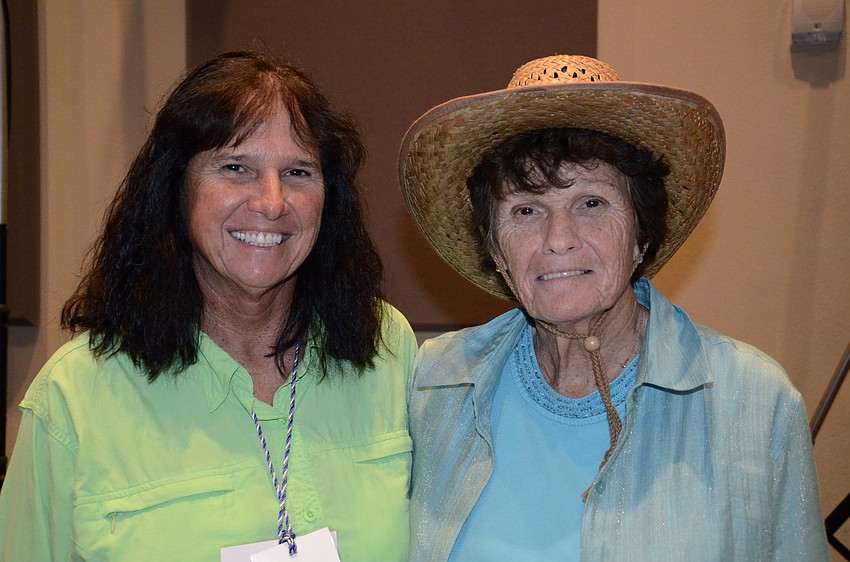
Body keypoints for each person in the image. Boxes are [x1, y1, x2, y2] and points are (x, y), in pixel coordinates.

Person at [399, 54, 829, 561]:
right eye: (526, 210)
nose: (558, 240)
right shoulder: (435, 386)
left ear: (641, 233)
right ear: (495, 249)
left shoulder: (755, 402)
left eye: (592, 203)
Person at [0, 51, 416, 561]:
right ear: (176, 189)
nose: (271, 201)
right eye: (236, 167)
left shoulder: (387, 348)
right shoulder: (75, 398)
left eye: (298, 172)